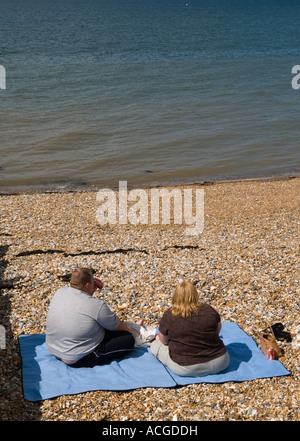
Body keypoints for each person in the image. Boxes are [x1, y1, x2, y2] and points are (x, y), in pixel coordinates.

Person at [46, 267, 139, 368]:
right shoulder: (96, 305)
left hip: (53, 349)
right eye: (92, 280)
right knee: (127, 339)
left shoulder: (60, 292)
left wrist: (89, 291)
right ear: (87, 285)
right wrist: (130, 330)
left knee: (93, 322)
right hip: (76, 358)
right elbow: (115, 325)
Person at [150, 281, 230, 377]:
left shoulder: (169, 315)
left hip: (187, 367)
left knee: (155, 344)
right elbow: (217, 329)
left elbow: (164, 341)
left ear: (175, 297)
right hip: (220, 363)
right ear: (195, 295)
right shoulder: (208, 310)